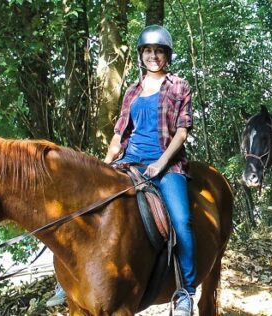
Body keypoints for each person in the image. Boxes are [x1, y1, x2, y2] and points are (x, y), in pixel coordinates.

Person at [103, 24, 195, 315]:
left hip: (166, 165)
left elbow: (182, 132)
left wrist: (161, 162)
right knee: (93, 205)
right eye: (147, 51)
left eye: (158, 51)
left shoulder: (179, 85)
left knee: (181, 221)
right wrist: (105, 164)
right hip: (129, 161)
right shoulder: (132, 90)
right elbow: (119, 134)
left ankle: (186, 291)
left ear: (166, 55)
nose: (153, 56)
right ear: (141, 55)